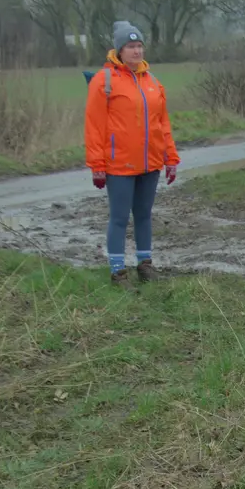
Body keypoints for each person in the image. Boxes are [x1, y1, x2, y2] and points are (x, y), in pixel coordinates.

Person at [84, 21, 179, 289]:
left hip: (150, 163)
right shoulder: (104, 82)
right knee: (119, 217)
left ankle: (145, 265)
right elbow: (94, 126)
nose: (137, 52)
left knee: (145, 215)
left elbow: (163, 124)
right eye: (130, 46)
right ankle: (118, 271)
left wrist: (170, 158)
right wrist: (97, 164)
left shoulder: (152, 81)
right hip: (118, 164)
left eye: (139, 46)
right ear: (119, 50)